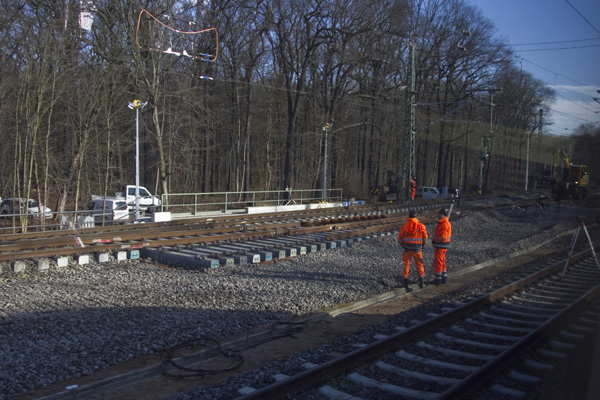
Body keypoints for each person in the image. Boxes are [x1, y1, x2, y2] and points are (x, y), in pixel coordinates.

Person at [397, 210, 428, 291]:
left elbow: (400, 239)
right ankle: (421, 282)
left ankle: (405, 283)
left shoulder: (404, 226)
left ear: (409, 216)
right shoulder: (421, 226)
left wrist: (403, 246)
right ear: (416, 216)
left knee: (406, 265)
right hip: (417, 249)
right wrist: (422, 246)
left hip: (407, 249)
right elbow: (425, 238)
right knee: (419, 264)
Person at [430, 208, 451, 285]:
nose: (438, 215)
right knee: (441, 261)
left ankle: (438, 279)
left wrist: (436, 240)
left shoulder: (445, 224)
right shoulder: (442, 223)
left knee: (438, 262)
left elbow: (443, 237)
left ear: (443, 215)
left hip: (441, 246)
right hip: (440, 246)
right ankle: (443, 277)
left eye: (439, 214)